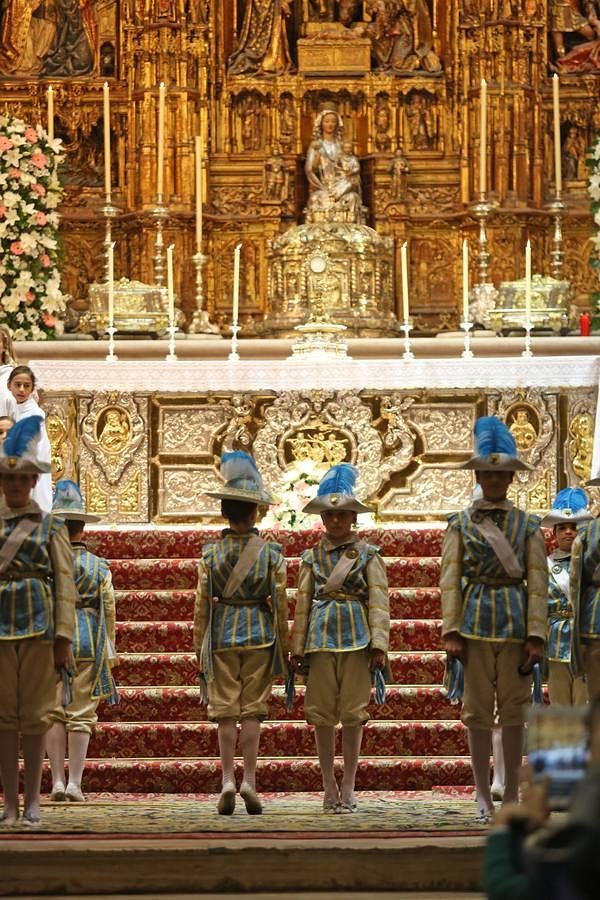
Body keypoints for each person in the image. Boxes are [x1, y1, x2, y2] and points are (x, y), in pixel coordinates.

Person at [441, 416, 547, 823]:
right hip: (474, 625)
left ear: (510, 477)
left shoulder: (528, 525)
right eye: (489, 472)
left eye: (502, 473)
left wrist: (536, 635)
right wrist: (451, 630)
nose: (495, 479)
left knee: (516, 711)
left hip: (517, 623)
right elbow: (449, 580)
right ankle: (482, 792)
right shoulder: (461, 524)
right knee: (478, 712)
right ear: (480, 474)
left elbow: (537, 583)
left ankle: (512, 793)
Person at [290, 463, 389, 814]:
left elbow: (378, 600)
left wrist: (379, 644)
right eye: (329, 514)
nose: (334, 521)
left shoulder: (367, 555)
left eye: (341, 514)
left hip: (357, 638)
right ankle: (327, 784)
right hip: (319, 639)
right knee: (320, 715)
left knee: (353, 713)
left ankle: (349, 785)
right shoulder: (310, 557)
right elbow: (302, 603)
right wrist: (297, 646)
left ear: (352, 516)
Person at [194, 452, 288, 816]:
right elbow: (279, 602)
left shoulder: (210, 554)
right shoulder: (271, 554)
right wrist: (286, 644)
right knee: (253, 710)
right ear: (256, 512)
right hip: (260, 634)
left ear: (224, 512)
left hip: (221, 635)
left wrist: (198, 645)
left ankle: (227, 779)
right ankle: (250, 778)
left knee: (224, 712)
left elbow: (202, 604)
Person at [0, 416, 77, 825]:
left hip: (38, 626)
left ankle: (32, 802)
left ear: (33, 482)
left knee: (33, 718)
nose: (14, 486)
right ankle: (8, 805)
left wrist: (63, 635)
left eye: (22, 480)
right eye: (7, 480)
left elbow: (64, 582)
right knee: (2, 720)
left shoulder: (52, 526)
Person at [46, 480, 118, 803]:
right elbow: (108, 611)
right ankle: (75, 781)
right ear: (82, 526)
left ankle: (57, 782)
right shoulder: (99, 567)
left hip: (51, 641)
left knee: (52, 711)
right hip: (88, 640)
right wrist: (109, 651)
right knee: (82, 714)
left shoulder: (46, 564)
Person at [541, 487, 591, 707]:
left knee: (585, 704)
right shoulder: (545, 565)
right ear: (554, 533)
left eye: (574, 527)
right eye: (562, 528)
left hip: (585, 642)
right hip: (557, 643)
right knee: (560, 707)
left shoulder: (592, 565)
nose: (568, 532)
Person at [304, 108, 364, 224]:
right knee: (318, 198)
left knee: (352, 198)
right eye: (326, 121)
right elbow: (310, 169)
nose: (330, 124)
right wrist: (321, 186)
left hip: (341, 183)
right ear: (321, 123)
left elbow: (351, 164)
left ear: (337, 124)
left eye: (333, 121)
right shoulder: (316, 145)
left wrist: (347, 174)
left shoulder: (342, 145)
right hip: (324, 185)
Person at [7, 366, 52, 513]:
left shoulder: (34, 413)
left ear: (32, 388)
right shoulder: (14, 407)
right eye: (17, 385)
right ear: (9, 386)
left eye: (26, 386)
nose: (21, 390)